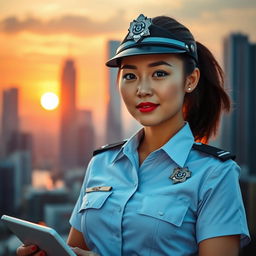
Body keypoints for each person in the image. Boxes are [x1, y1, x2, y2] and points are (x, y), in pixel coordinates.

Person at [17, 13, 250, 256]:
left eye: (159, 73)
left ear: (190, 80)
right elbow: (76, 250)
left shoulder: (215, 174)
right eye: (130, 76)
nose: (142, 89)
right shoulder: (101, 163)